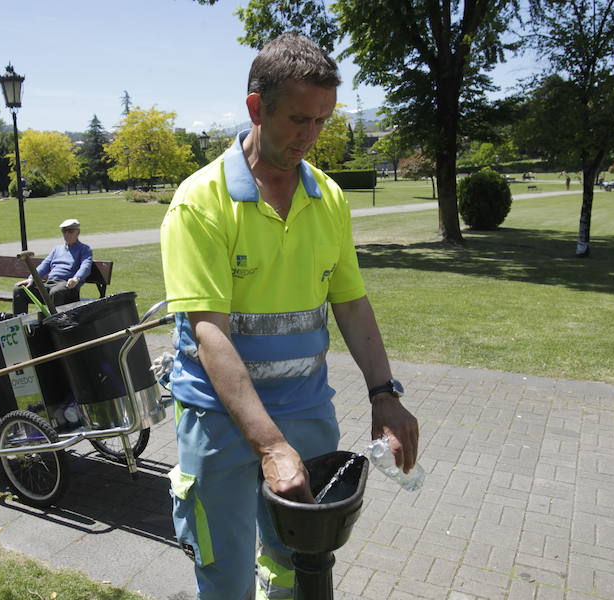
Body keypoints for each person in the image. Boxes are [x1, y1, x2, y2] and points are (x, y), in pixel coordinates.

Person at [159, 33, 419, 600]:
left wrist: (384, 393)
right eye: (299, 119)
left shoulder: (327, 197)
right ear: (257, 107)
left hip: (305, 413)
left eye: (322, 121)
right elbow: (209, 333)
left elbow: (350, 302)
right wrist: (271, 447)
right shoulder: (200, 202)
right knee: (223, 573)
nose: (311, 136)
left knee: (299, 568)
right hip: (218, 423)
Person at [12, 218, 92, 314]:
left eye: (70, 231)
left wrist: (76, 278)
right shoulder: (57, 250)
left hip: (67, 286)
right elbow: (44, 266)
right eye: (64, 231)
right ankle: (19, 323)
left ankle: (55, 323)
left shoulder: (84, 249)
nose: (67, 234)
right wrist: (31, 278)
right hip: (50, 284)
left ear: (78, 232)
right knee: (19, 290)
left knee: (56, 292)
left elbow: (85, 266)